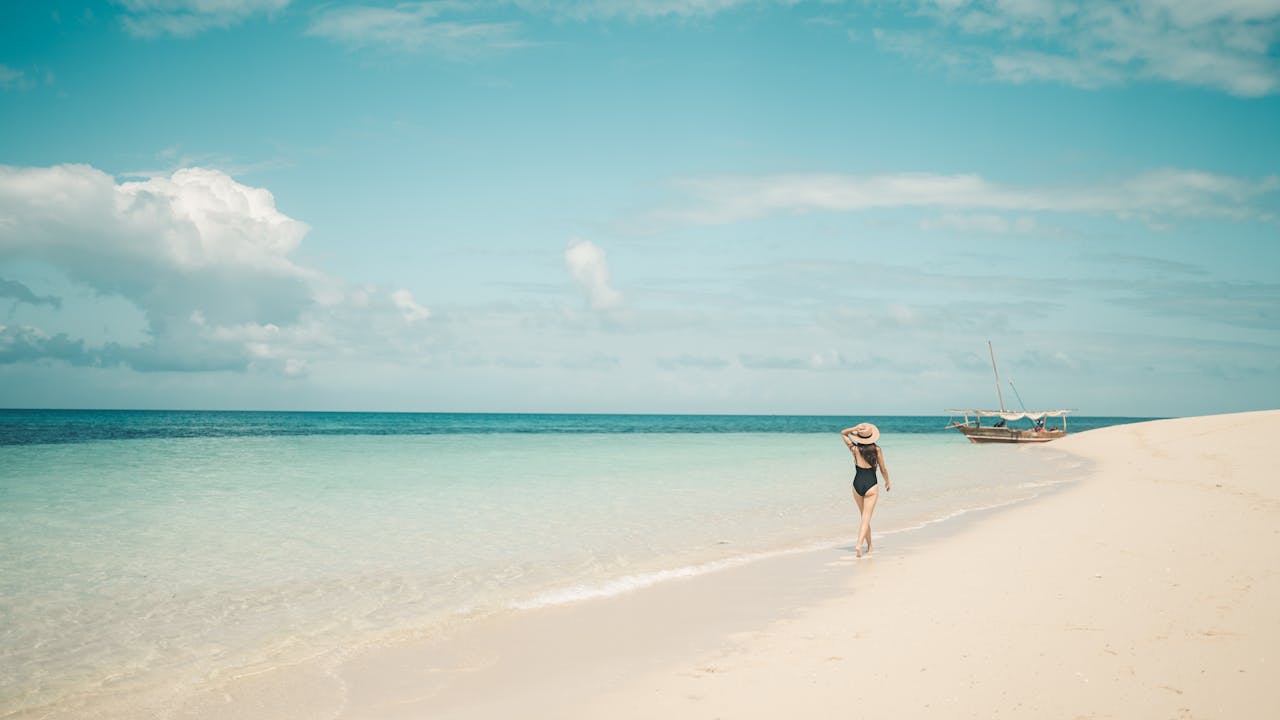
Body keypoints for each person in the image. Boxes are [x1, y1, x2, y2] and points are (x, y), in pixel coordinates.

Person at [840, 422, 890, 557]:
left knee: (864, 517)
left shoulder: (855, 449)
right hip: (871, 485)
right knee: (866, 518)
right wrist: (887, 481)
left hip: (857, 484)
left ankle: (870, 546)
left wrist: (854, 429)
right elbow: (883, 469)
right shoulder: (877, 450)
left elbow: (843, 433)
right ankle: (859, 544)